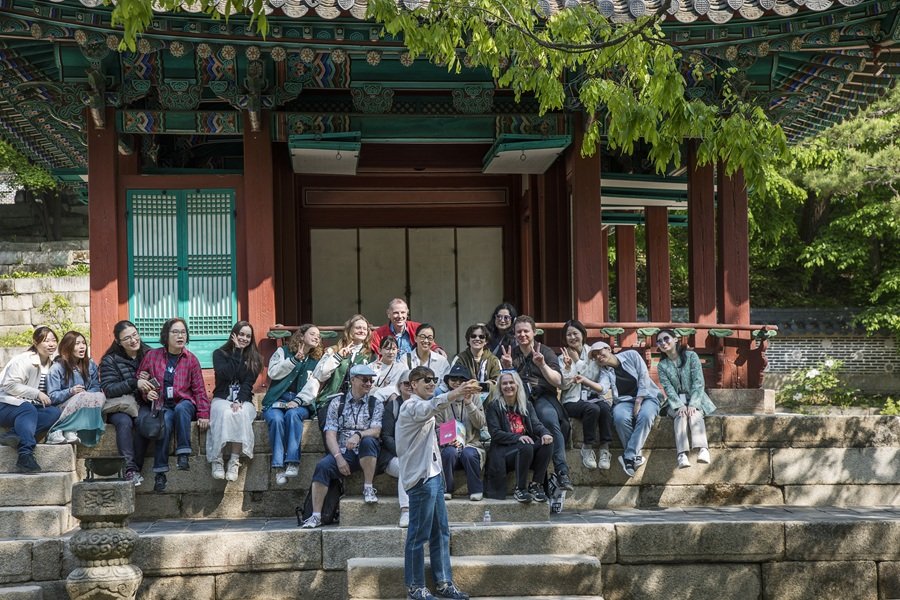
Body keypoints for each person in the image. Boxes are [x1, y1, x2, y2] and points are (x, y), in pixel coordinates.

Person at [396, 365, 480, 600]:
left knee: (441, 532)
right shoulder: (410, 405)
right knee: (418, 535)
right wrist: (456, 393)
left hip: (433, 475)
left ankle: (443, 583)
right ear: (413, 385)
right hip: (422, 478)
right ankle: (415, 587)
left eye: (434, 379)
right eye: (426, 380)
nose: (432, 383)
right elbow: (431, 407)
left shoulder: (422, 406)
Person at [301, 364, 384, 528]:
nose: (369, 384)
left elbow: (376, 431)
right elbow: (330, 433)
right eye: (365, 380)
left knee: (368, 441)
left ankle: (368, 487)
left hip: (369, 453)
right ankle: (316, 515)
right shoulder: (337, 403)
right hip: (345, 452)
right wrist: (338, 458)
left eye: (371, 380)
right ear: (353, 380)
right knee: (323, 466)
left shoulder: (376, 403)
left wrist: (359, 434)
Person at [499, 315, 573, 491]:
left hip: (542, 397)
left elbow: (557, 381)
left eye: (526, 331)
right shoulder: (511, 353)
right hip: (518, 400)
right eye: (519, 332)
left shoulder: (545, 351)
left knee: (548, 419)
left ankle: (562, 471)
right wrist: (507, 367)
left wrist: (541, 365)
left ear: (534, 332)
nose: (522, 335)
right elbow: (504, 383)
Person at [135, 317, 209, 493]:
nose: (180, 336)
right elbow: (141, 377)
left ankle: (183, 453)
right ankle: (160, 473)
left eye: (183, 332)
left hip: (184, 403)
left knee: (182, 409)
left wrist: (204, 414)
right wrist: (147, 392)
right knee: (165, 422)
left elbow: (199, 390)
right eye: (175, 332)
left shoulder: (191, 360)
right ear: (166, 335)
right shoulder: (152, 356)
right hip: (162, 405)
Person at [589, 341, 662, 478]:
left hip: (647, 396)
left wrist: (639, 401)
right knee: (619, 417)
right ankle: (635, 455)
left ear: (608, 349)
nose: (599, 357)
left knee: (645, 416)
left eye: (600, 352)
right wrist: (584, 381)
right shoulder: (605, 372)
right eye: (595, 356)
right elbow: (603, 388)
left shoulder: (631, 355)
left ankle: (628, 456)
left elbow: (643, 376)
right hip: (624, 401)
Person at [262, 324, 323, 485]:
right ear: (301, 336)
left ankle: (292, 462)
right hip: (277, 399)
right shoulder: (283, 351)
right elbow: (273, 372)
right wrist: (294, 360)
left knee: (293, 415)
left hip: (301, 402)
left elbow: (314, 387)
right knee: (276, 420)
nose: (317, 337)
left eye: (318, 335)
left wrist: (297, 401)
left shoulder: (317, 360)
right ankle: (278, 467)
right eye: (313, 334)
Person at [0, 327, 63, 473]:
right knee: (27, 409)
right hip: (5, 404)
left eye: (54, 340)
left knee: (53, 412)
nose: (51, 344)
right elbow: (9, 385)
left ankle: (14, 434)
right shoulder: (24, 361)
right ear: (35, 342)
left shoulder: (52, 365)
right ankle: (25, 455)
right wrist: (37, 394)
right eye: (46, 341)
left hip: (25, 408)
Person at [99, 320, 154, 485]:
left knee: (142, 422)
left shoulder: (150, 354)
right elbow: (109, 389)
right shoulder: (110, 360)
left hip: (143, 403)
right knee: (124, 422)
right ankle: (129, 470)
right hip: (120, 406)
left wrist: (150, 383)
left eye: (135, 335)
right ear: (118, 341)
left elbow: (163, 378)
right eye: (127, 338)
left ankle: (136, 468)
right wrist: (133, 382)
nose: (133, 340)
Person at [484, 370, 553, 502]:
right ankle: (520, 489)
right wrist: (518, 438)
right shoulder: (494, 406)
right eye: (504, 383)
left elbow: (536, 424)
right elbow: (495, 433)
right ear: (500, 387)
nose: (508, 386)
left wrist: (545, 433)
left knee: (547, 444)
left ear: (517, 385)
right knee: (526, 445)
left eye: (511, 382)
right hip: (504, 452)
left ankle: (535, 485)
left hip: (525, 451)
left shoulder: (526, 404)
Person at [207, 321, 263, 481]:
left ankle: (234, 460)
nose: (244, 338)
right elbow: (225, 374)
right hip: (222, 397)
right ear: (234, 335)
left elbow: (248, 384)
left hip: (243, 399)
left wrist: (239, 400)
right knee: (225, 412)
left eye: (248, 336)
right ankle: (216, 459)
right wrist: (237, 352)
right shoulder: (219, 354)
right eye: (241, 334)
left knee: (240, 413)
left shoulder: (255, 359)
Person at [304, 314, 375, 436]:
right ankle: (333, 455)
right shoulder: (333, 350)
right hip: (331, 399)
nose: (362, 331)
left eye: (364, 328)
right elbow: (320, 374)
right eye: (358, 327)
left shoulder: (370, 355)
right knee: (329, 428)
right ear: (349, 330)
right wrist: (338, 357)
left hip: (357, 401)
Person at [559, 319, 614, 471]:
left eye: (575, 333)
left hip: (593, 397)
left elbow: (592, 377)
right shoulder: (562, 356)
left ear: (583, 334)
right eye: (568, 334)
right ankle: (587, 447)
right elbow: (564, 383)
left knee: (604, 408)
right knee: (593, 409)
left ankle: (604, 448)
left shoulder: (593, 354)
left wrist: (577, 362)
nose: (572, 337)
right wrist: (570, 366)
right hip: (572, 400)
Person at [655, 329, 715, 468]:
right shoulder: (662, 366)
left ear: (675, 339)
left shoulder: (691, 356)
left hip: (696, 398)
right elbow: (668, 389)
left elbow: (698, 382)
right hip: (674, 402)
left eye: (666, 339)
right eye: (659, 341)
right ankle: (682, 455)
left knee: (694, 413)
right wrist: (678, 405)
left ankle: (703, 449)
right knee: (680, 415)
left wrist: (693, 403)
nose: (663, 343)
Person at [45, 331, 106, 447]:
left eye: (83, 343)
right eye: (77, 343)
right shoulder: (57, 368)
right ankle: (58, 430)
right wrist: (71, 391)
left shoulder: (90, 365)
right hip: (62, 405)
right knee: (84, 397)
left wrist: (86, 395)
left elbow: (96, 387)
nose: (82, 346)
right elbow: (52, 396)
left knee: (100, 396)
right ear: (67, 347)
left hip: (85, 402)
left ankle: (70, 430)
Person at [435, 364, 486, 502]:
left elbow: (481, 423)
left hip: (471, 444)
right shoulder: (444, 398)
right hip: (449, 445)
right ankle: (447, 489)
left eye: (461, 379)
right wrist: (448, 439)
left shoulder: (475, 398)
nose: (457, 382)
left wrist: (469, 404)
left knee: (468, 453)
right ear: (448, 381)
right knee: (449, 452)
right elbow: (437, 427)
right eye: (453, 379)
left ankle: (475, 489)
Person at [379, 371, 413, 527]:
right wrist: (402, 452)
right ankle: (406, 510)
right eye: (406, 383)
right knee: (405, 467)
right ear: (399, 386)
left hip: (417, 454)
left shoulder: (421, 405)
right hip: (393, 456)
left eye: (413, 383)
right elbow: (386, 436)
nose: (410, 386)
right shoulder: (392, 406)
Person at [370, 298, 442, 359]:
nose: (400, 316)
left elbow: (428, 342)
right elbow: (375, 356)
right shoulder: (378, 334)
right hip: (389, 372)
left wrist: (436, 348)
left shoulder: (417, 328)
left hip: (415, 371)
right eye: (396, 313)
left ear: (407, 313)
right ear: (388, 314)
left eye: (403, 312)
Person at [450, 323, 501, 393]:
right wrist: (486, 384)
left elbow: (498, 383)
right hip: (465, 398)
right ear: (468, 340)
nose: (477, 339)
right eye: (473, 336)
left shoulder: (493, 360)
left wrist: (475, 385)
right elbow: (453, 382)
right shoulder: (459, 359)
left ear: (486, 341)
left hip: (489, 401)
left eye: (481, 337)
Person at [371, 336, 409, 402]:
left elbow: (395, 389)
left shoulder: (401, 368)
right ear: (379, 350)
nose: (391, 352)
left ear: (398, 350)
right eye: (387, 349)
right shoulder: (371, 367)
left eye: (394, 349)